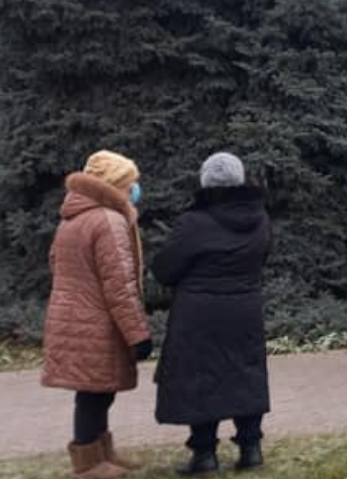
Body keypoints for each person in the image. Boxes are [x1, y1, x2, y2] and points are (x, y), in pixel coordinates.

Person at [151, 153, 272, 475]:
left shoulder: (194, 222)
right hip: (244, 307)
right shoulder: (260, 218)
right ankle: (251, 448)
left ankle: (204, 454)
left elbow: (165, 268)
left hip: (198, 312)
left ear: (205, 181)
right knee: (246, 374)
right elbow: (261, 258)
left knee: (200, 378)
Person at [42, 150, 153, 479]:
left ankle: (102, 454)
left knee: (97, 389)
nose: (135, 189)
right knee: (94, 393)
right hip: (96, 319)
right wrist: (138, 334)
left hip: (73, 314)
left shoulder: (73, 217)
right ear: (117, 185)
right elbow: (119, 282)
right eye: (131, 183)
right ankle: (88, 463)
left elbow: (54, 263)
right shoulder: (109, 220)